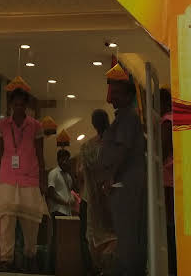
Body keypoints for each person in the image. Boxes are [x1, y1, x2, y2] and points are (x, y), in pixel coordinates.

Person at [0, 79, 47, 272]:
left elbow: (40, 154)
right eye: (16, 105)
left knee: (31, 222)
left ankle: (30, 256)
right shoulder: (3, 125)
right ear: (11, 105)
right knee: (6, 219)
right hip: (7, 177)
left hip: (29, 179)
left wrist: (43, 181)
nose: (19, 108)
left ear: (27, 106)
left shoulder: (35, 126)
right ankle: (6, 259)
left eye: (22, 105)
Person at [100, 72, 146, 276]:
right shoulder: (124, 117)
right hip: (124, 181)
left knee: (127, 229)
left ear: (128, 96)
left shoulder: (128, 117)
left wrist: (110, 175)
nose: (113, 98)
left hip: (125, 182)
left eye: (117, 93)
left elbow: (123, 149)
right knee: (125, 229)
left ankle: (128, 270)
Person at [80, 109, 116, 275]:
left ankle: (104, 268)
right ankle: (105, 268)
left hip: (96, 199)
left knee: (96, 237)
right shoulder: (114, 144)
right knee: (108, 235)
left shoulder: (88, 147)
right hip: (106, 197)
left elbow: (82, 173)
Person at [160, 89, 176, 275]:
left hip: (168, 178)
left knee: (169, 225)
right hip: (172, 178)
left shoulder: (167, 121)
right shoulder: (174, 119)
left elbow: (163, 148)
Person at [47, 148, 75, 217]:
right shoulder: (54, 173)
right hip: (57, 210)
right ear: (58, 160)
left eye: (67, 160)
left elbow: (71, 191)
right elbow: (51, 193)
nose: (64, 162)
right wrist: (65, 202)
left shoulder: (68, 176)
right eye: (62, 159)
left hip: (67, 211)